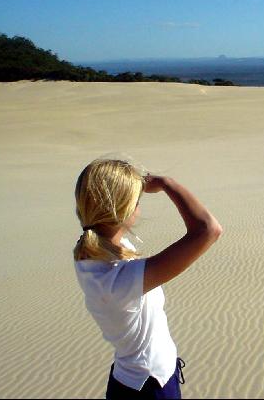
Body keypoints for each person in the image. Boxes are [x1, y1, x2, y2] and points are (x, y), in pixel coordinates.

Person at [73, 158, 223, 399]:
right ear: (121, 211)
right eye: (136, 201)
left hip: (127, 380)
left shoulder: (91, 254)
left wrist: (127, 185)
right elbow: (208, 230)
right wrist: (167, 183)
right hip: (151, 388)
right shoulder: (120, 279)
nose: (139, 206)